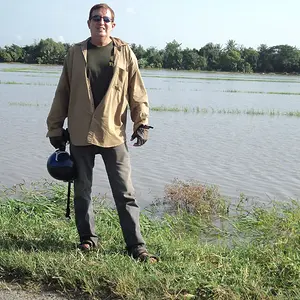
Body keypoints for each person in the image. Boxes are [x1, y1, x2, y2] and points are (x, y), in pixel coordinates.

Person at [46, 3, 157, 262]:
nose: (101, 22)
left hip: (113, 131)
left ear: (113, 25)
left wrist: (141, 123)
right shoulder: (75, 53)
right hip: (80, 132)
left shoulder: (125, 53)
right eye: (96, 18)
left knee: (125, 192)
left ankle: (136, 246)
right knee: (82, 190)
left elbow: (136, 92)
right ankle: (88, 239)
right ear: (89, 23)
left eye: (106, 19)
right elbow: (63, 91)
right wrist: (54, 127)